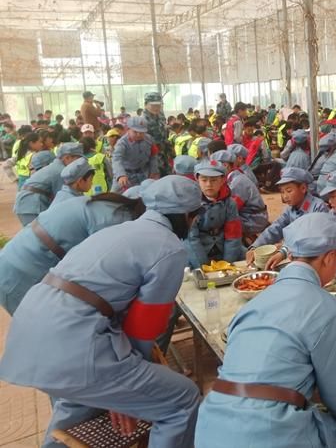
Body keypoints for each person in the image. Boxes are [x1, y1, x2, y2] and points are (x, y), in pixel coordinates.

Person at [0, 176, 202, 447]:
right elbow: (144, 328)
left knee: (80, 400)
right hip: (73, 342)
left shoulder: (116, 230)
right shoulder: (169, 247)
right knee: (182, 399)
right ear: (189, 215)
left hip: (31, 332)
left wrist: (125, 391)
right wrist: (131, 385)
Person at [195, 213, 336, 448]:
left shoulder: (252, 305)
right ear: (329, 258)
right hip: (269, 432)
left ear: (292, 254)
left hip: (210, 427)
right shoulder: (330, 310)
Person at [0, 193, 145, 315]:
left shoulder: (111, 205)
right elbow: (103, 273)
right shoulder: (116, 220)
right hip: (20, 273)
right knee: (38, 327)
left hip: (18, 257)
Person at [247, 167, 329, 265]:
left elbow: (308, 237)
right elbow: (275, 228)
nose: (285, 196)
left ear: (303, 188)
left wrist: (283, 251)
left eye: (289, 191)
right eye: (282, 191)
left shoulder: (318, 208)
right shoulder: (290, 209)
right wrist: (255, 246)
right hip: (296, 255)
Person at [185, 160, 245, 269]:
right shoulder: (190, 204)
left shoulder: (230, 203)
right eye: (204, 180)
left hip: (223, 247)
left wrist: (227, 264)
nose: (209, 184)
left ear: (222, 180)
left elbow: (233, 235)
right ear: (197, 179)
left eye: (214, 180)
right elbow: (191, 239)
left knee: (245, 262)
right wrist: (205, 267)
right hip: (198, 250)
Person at [14, 142, 85, 226]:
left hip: (28, 204)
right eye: (78, 159)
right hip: (31, 206)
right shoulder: (60, 171)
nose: (80, 162)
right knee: (39, 235)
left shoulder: (57, 167)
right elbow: (67, 197)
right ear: (67, 158)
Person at [212, 150, 269, 242]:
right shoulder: (234, 177)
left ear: (225, 165)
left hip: (254, 219)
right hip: (251, 215)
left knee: (220, 223)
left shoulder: (237, 182)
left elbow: (232, 209)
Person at [112, 116, 158, 193]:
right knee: (114, 197)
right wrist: (121, 175)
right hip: (126, 175)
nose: (138, 134)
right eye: (135, 132)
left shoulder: (149, 139)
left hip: (144, 174)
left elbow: (153, 156)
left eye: (141, 132)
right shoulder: (122, 143)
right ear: (128, 130)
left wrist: (154, 171)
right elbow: (116, 159)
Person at [142, 92, 173, 178]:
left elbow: (163, 134)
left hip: (163, 156)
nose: (156, 108)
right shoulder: (142, 121)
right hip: (151, 159)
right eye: (153, 105)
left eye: (159, 105)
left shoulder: (161, 116)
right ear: (145, 105)